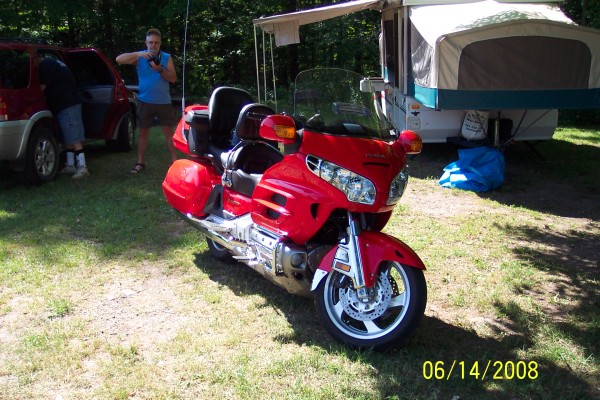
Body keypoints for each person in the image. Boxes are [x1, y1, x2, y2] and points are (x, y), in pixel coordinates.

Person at [116, 28, 178, 173]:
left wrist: (160, 69)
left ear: (160, 43)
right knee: (143, 131)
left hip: (163, 101)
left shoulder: (166, 57)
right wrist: (138, 54)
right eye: (151, 42)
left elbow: (173, 79)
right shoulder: (140, 57)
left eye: (156, 43)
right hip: (145, 100)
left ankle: (175, 161)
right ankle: (140, 162)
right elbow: (119, 60)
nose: (153, 45)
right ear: (146, 43)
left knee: (168, 131)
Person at [38, 56, 89, 179]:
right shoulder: (55, 62)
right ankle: (70, 165)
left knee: (74, 137)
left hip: (67, 104)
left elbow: (42, 87)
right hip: (67, 104)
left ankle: (83, 167)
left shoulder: (45, 65)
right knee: (67, 137)